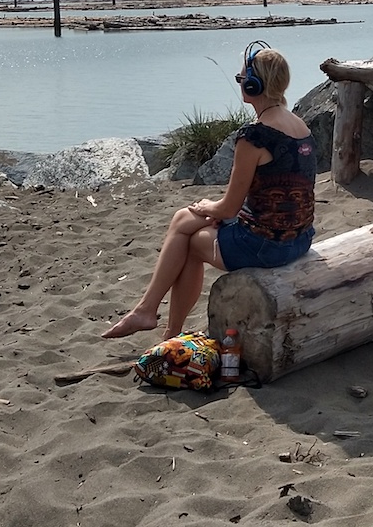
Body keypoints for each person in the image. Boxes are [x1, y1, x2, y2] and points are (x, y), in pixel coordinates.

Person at [104, 42, 316, 340]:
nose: (240, 84)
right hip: (300, 238)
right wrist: (216, 212)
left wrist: (207, 207)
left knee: (191, 242)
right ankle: (148, 312)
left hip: (267, 247)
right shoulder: (301, 126)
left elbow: (228, 208)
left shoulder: (254, 137)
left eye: (241, 79)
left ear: (254, 85)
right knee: (183, 219)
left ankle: (161, 323)